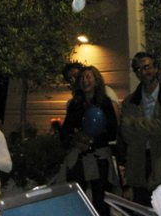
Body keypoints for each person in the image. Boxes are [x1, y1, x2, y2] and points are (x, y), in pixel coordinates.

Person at [120, 52, 161, 207]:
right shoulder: (130, 102)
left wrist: (135, 124)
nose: (143, 72)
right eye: (138, 69)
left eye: (147, 67)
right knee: (141, 210)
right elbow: (125, 133)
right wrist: (153, 128)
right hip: (139, 166)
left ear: (156, 68)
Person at [60, 66, 117, 215]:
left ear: (96, 81)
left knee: (100, 202)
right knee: (76, 200)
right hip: (78, 157)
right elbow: (65, 131)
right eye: (82, 78)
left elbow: (112, 131)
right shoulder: (74, 104)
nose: (85, 81)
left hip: (98, 158)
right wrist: (75, 140)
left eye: (88, 77)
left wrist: (92, 141)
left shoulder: (105, 102)